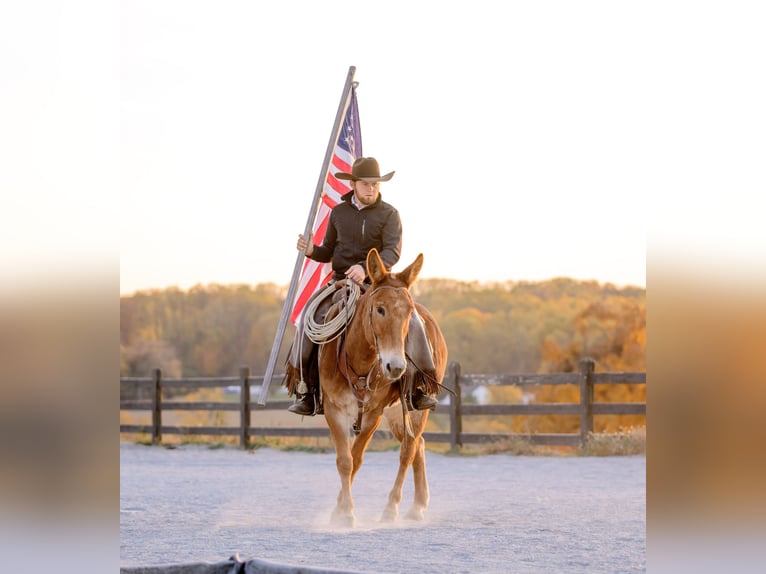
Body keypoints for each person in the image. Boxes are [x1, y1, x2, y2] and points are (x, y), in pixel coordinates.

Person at [285, 156, 438, 416]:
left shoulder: (389, 214)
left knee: (412, 322)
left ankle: (417, 388)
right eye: (365, 184)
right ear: (353, 184)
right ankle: (307, 390)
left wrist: (366, 268)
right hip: (340, 283)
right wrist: (311, 250)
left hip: (378, 284)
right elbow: (328, 251)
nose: (371, 189)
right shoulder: (339, 213)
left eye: (375, 184)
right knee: (309, 318)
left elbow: (393, 251)